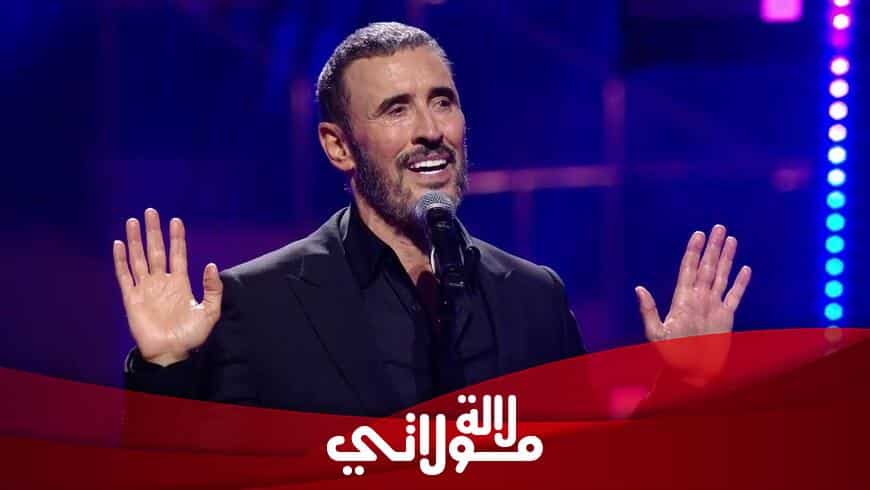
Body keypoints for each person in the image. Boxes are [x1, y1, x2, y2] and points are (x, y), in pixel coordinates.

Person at [113, 22, 751, 416]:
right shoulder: (260, 303)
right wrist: (165, 369)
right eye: (396, 110)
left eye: (441, 102)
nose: (429, 130)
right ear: (339, 146)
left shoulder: (534, 299)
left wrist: (686, 385)